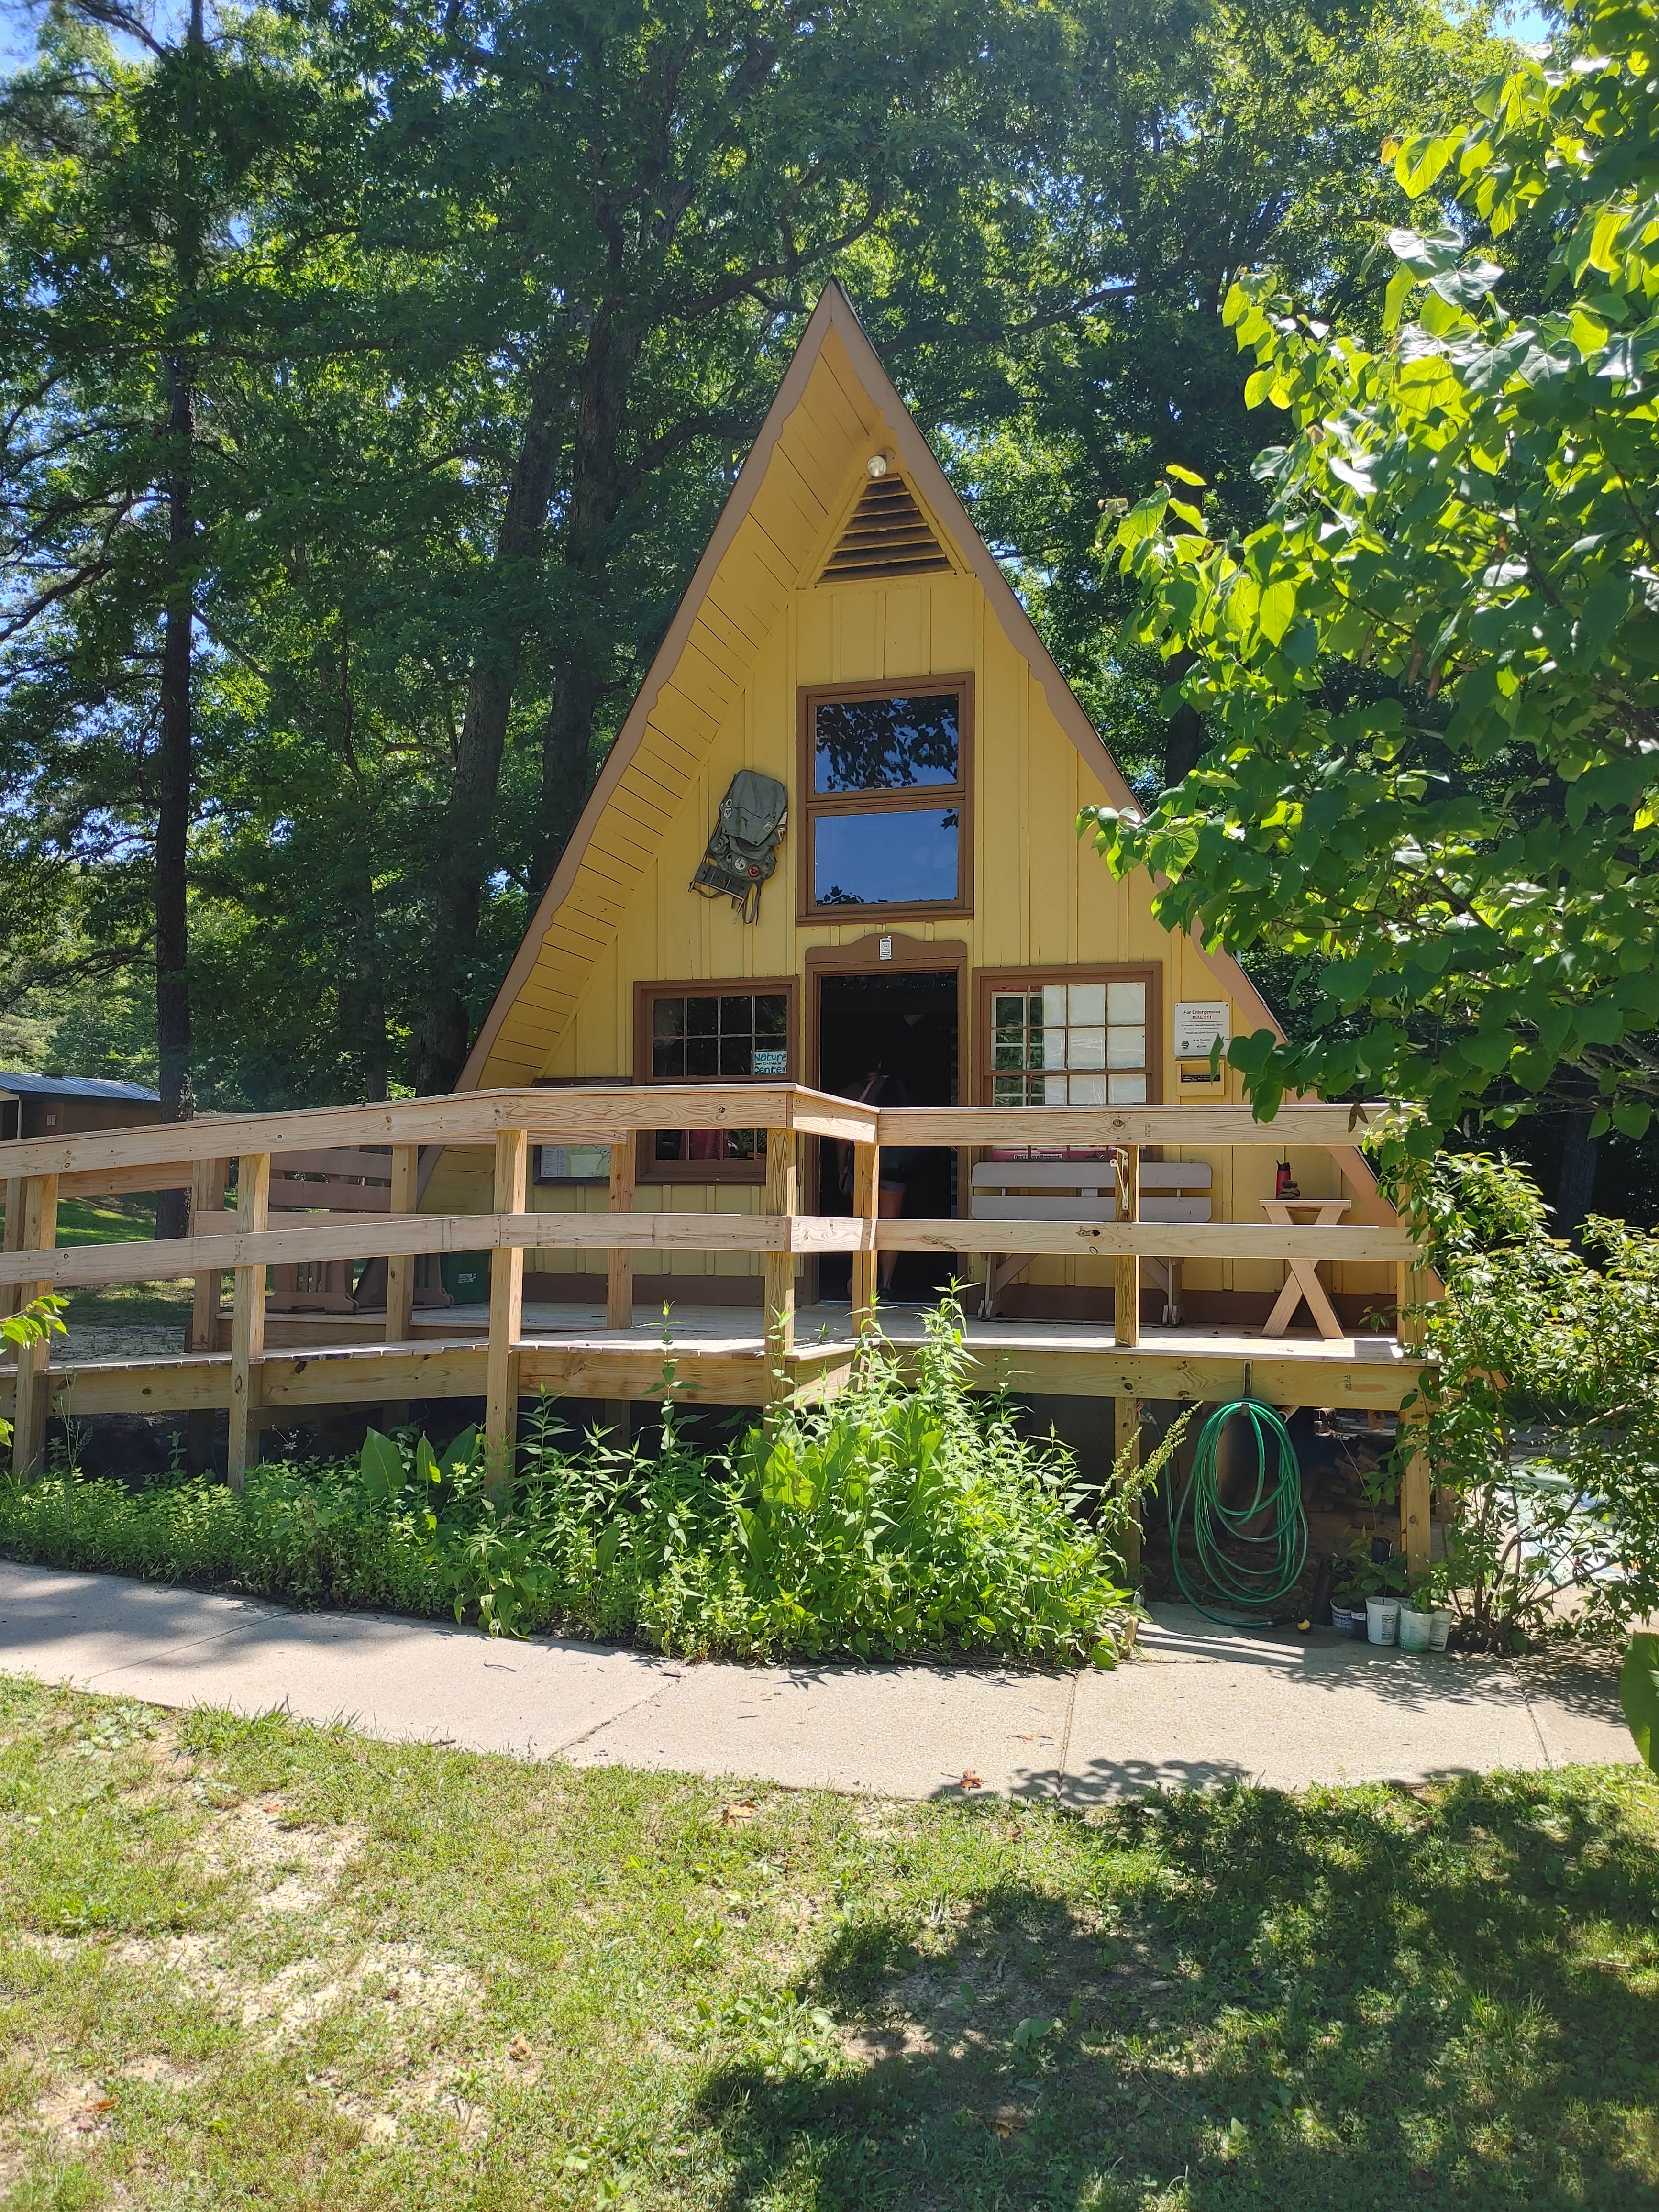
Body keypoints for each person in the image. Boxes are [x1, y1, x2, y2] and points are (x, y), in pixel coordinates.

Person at [839, 1068, 919, 1295]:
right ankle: (886, 1283)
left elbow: (843, 1141)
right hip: (895, 1171)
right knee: (890, 1227)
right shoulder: (901, 1096)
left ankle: (864, 1279)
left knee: (863, 1225)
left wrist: (842, 1171)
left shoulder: (854, 1094)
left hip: (862, 1170)